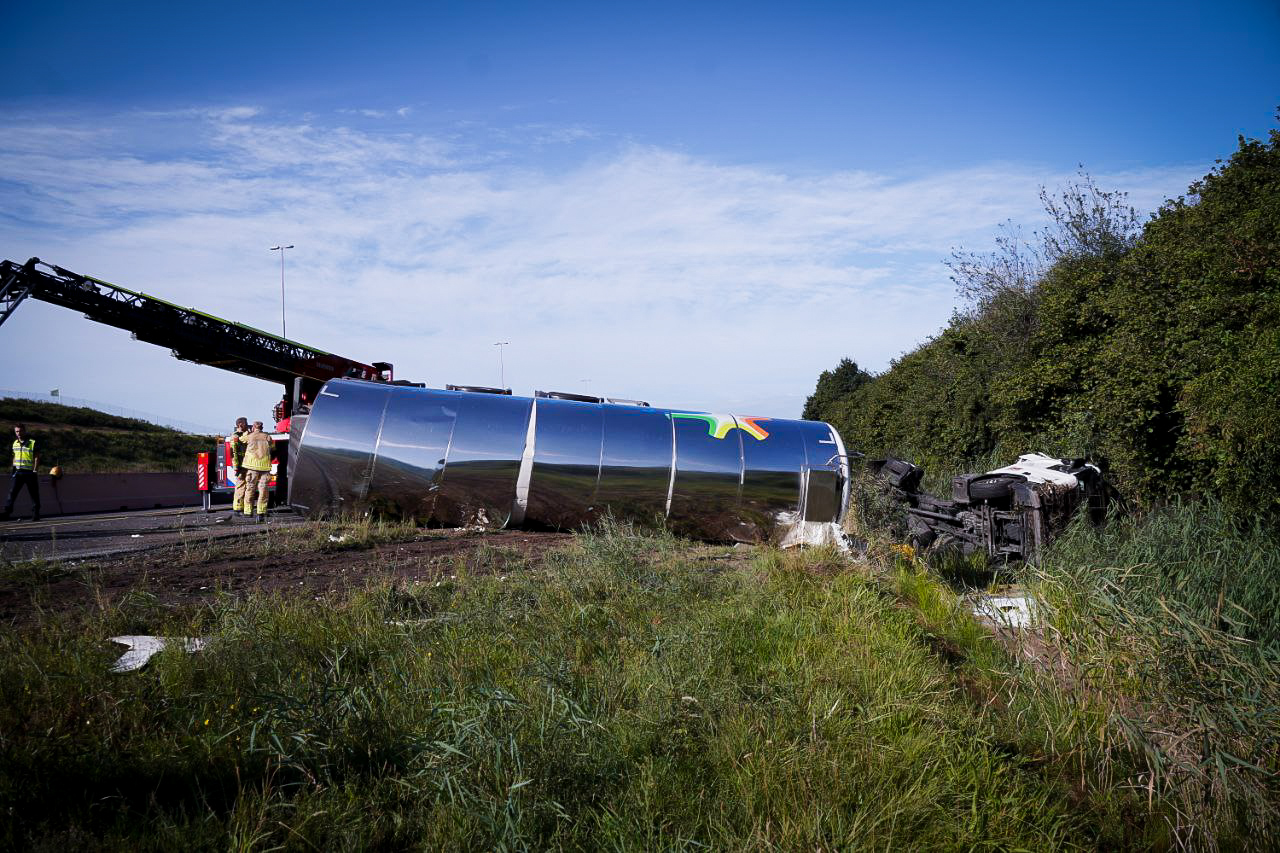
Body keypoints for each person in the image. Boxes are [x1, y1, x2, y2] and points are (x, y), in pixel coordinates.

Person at [235, 420, 273, 521]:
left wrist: (246, 432)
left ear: (253, 428)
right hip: (265, 467)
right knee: (263, 490)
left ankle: (248, 512)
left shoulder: (250, 436)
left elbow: (240, 439)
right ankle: (261, 512)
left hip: (252, 467)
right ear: (262, 428)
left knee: (250, 489)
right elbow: (272, 447)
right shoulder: (267, 437)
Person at [2, 423, 40, 521]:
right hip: (18, 472)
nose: (18, 433)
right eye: (17, 431)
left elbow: (37, 457)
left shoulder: (32, 442)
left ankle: (36, 514)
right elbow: (14, 456)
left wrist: (35, 470)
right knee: (12, 493)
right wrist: (13, 468)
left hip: (29, 472)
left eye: (20, 431)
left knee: (33, 493)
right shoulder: (15, 443)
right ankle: (6, 513)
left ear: (24, 431)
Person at [229, 417, 249, 513]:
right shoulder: (235, 436)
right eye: (246, 423)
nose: (247, 425)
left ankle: (243, 507)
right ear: (240, 424)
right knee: (240, 487)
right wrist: (236, 468)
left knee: (245, 487)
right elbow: (234, 453)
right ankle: (238, 509)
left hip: (245, 464)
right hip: (241, 466)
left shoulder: (242, 435)